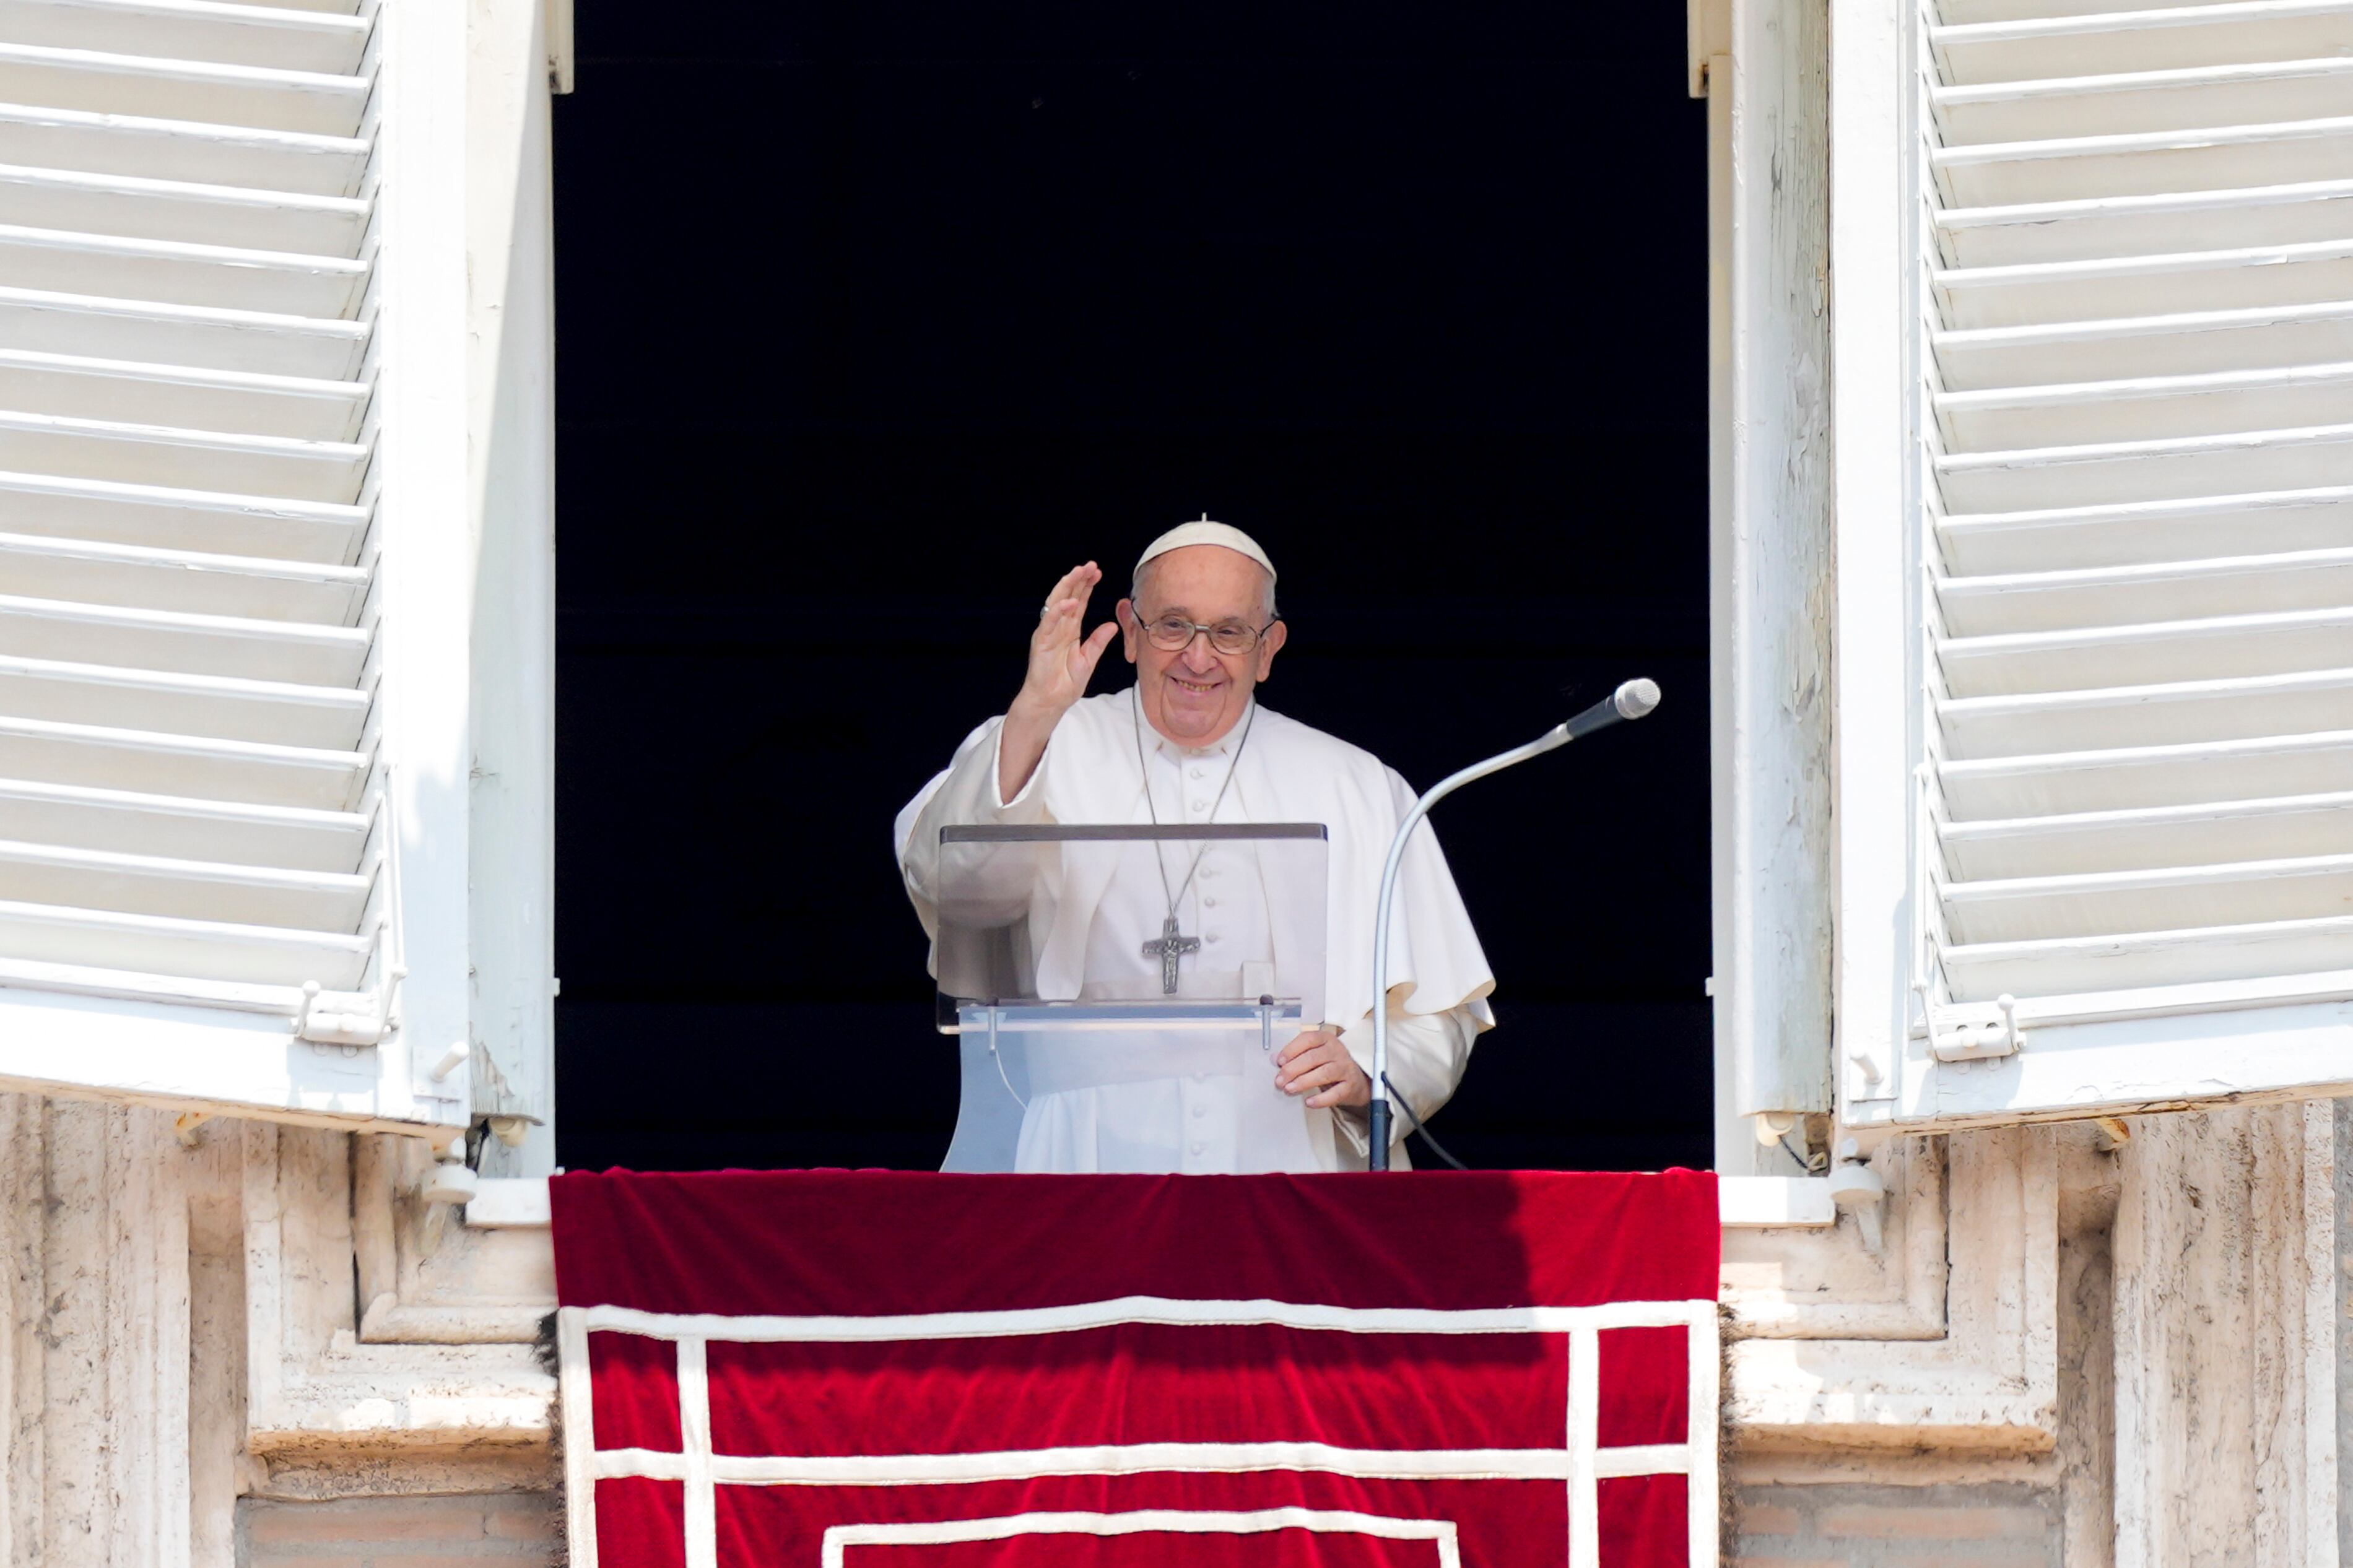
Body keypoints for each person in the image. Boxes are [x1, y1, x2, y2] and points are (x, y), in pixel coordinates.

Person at [895, 518, 1493, 1172]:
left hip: (1290, 1157)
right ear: (1128, 630)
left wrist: (1367, 1064)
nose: (1198, 658)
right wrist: (1035, 709)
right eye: (1172, 625)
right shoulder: (1036, 744)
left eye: (1229, 632)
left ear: (1267, 649)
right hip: (1078, 1158)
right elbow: (960, 892)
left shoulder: (1356, 784)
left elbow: (1438, 1015)